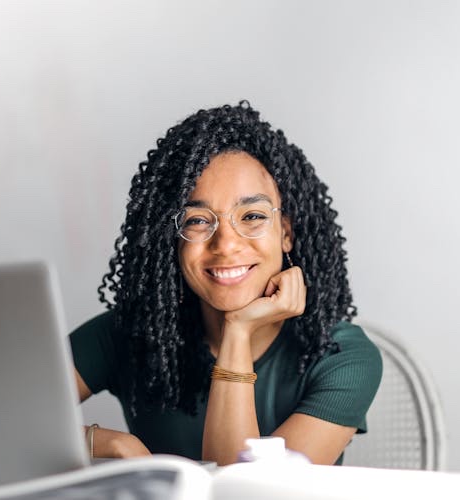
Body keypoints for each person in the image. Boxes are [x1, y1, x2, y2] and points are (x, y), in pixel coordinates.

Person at [69, 101, 382, 466]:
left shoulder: (341, 356)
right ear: (171, 238)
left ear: (286, 232)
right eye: (197, 221)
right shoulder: (128, 333)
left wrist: (238, 330)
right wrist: (110, 444)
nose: (227, 244)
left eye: (252, 216)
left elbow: (246, 493)